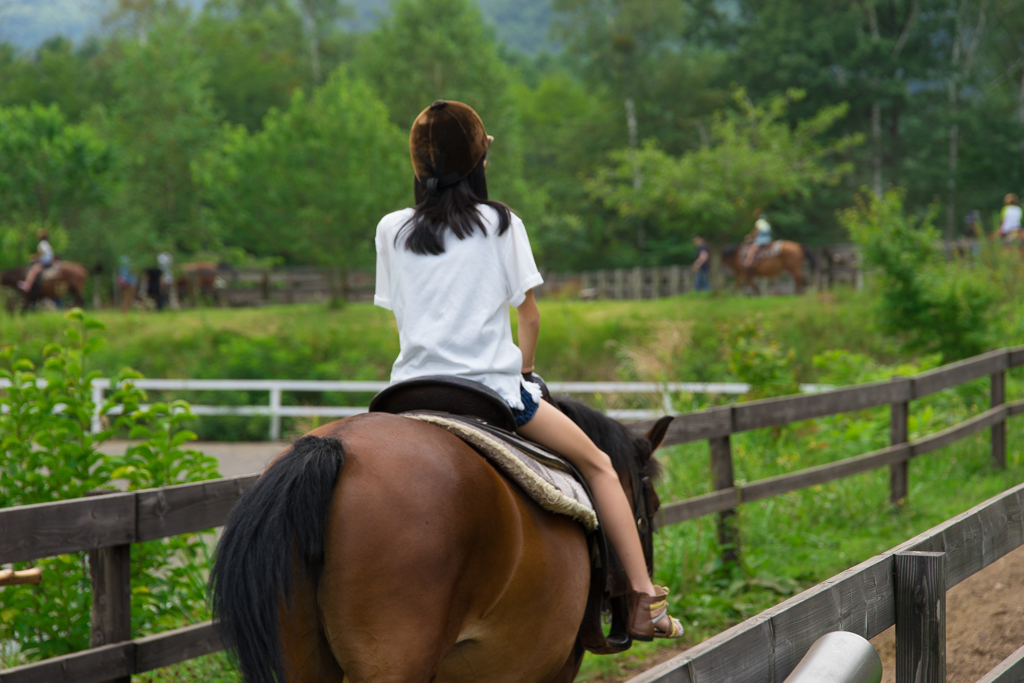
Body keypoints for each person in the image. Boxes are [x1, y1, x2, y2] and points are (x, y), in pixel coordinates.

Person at [374, 100, 683, 640]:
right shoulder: (499, 222)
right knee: (600, 467)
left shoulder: (391, 229)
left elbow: (404, 316)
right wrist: (526, 370)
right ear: (478, 163)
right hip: (489, 391)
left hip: (409, 393)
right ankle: (643, 600)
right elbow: (529, 315)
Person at [17, 228, 55, 293]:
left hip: (45, 263)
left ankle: (27, 284)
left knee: (33, 270)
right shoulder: (47, 243)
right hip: (49, 262)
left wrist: (33, 257)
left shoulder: (42, 244)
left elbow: (41, 253)